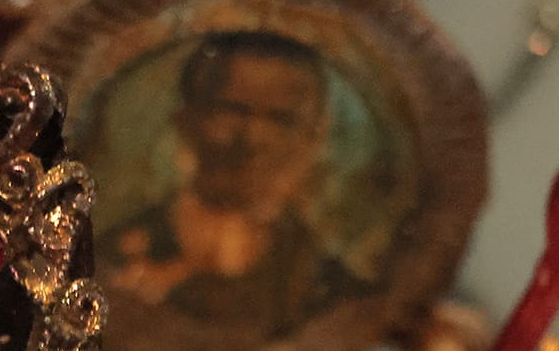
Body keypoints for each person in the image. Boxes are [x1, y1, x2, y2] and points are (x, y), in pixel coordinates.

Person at [102, 31, 370, 335]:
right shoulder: (109, 261)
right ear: (186, 119)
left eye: (281, 119)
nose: (253, 138)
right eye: (232, 110)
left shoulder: (334, 291)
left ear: (316, 135)